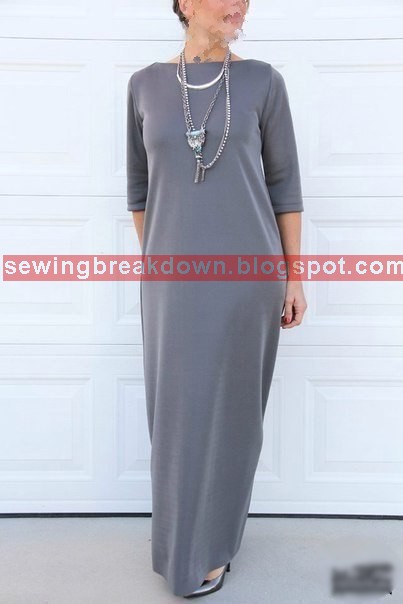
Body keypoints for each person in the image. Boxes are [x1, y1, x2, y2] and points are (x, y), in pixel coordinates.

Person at [126, 0, 307, 597]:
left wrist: (294, 277)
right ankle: (182, 544)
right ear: (184, 4)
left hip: (248, 277)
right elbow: (139, 191)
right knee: (177, 413)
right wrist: (161, 263)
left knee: (232, 415)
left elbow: (284, 186)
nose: (240, 5)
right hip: (172, 283)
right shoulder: (144, 86)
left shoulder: (263, 82)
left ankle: (215, 546)